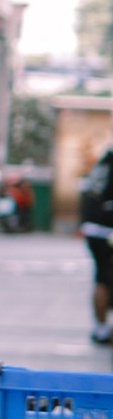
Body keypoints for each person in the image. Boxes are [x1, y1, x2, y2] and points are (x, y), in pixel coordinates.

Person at [81, 141, 113, 346]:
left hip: (93, 228)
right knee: (104, 279)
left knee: (101, 277)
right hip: (109, 229)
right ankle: (102, 328)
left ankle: (100, 328)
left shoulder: (102, 162)